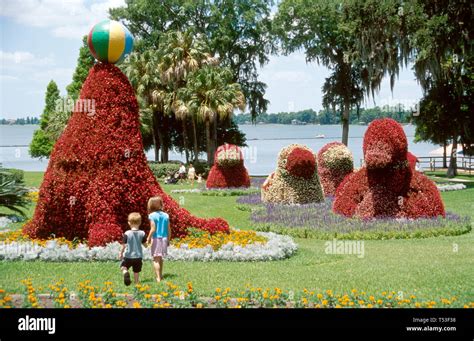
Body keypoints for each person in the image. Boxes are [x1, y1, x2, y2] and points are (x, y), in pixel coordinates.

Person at [146, 196, 171, 283]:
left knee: (155, 259)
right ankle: (160, 275)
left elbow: (153, 229)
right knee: (160, 258)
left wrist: (148, 238)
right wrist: (168, 239)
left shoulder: (152, 215)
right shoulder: (166, 215)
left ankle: (158, 278)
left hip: (156, 239)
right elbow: (169, 229)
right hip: (164, 238)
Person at [119, 212, 146, 286]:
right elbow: (145, 245)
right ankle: (137, 282)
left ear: (129, 223)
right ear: (140, 222)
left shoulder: (127, 233)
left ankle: (125, 273)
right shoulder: (142, 233)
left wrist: (120, 253)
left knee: (123, 267)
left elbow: (123, 245)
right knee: (136, 271)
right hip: (138, 257)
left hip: (128, 256)